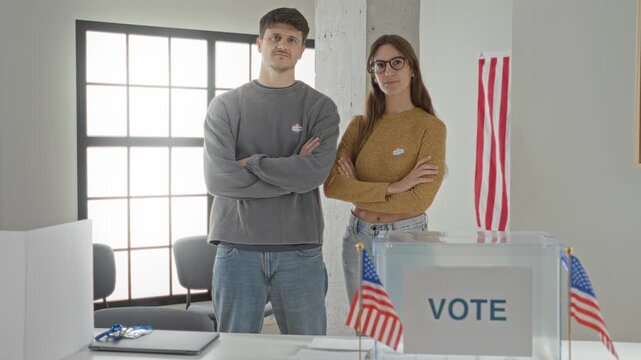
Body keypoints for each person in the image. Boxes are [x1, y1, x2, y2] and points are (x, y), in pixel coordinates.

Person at [203, 8, 340, 335]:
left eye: (292, 39)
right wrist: (292, 171)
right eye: (275, 37)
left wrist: (251, 164)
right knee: (234, 354)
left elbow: (313, 174)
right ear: (259, 43)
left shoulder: (320, 107)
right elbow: (219, 179)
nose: (283, 44)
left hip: (300, 251)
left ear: (301, 50)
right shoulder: (226, 106)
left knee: (309, 353)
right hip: (237, 250)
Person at [323, 34, 446, 304]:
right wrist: (395, 186)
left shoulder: (430, 127)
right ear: (373, 73)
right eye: (379, 65)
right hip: (358, 238)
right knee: (365, 333)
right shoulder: (359, 125)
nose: (388, 71)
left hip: (407, 239)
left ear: (412, 69)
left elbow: (420, 198)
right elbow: (333, 187)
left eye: (396, 63)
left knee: (407, 329)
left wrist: (358, 188)